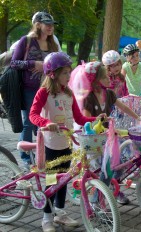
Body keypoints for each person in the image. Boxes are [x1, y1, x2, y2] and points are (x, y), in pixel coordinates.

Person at [29, 52, 103, 232]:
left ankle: (60, 212)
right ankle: (47, 219)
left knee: (64, 179)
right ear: (52, 74)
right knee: (52, 181)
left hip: (67, 142)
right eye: (65, 73)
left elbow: (78, 117)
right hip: (52, 143)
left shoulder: (68, 93)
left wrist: (96, 119)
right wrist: (47, 123)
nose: (69, 76)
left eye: (69, 72)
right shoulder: (44, 92)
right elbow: (33, 114)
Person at [70, 61, 140, 205]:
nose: (109, 78)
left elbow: (124, 108)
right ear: (95, 81)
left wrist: (138, 118)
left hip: (108, 137)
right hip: (95, 139)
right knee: (105, 168)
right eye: (104, 77)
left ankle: (113, 189)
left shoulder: (108, 94)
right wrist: (100, 122)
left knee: (120, 163)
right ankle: (97, 199)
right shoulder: (89, 98)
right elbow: (87, 122)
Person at [11, 11, 59, 169]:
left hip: (48, 88)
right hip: (29, 88)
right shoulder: (27, 41)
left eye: (52, 25)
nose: (50, 27)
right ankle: (25, 158)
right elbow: (14, 63)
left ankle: (41, 155)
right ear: (38, 25)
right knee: (29, 123)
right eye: (47, 24)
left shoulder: (53, 44)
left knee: (44, 122)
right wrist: (33, 64)